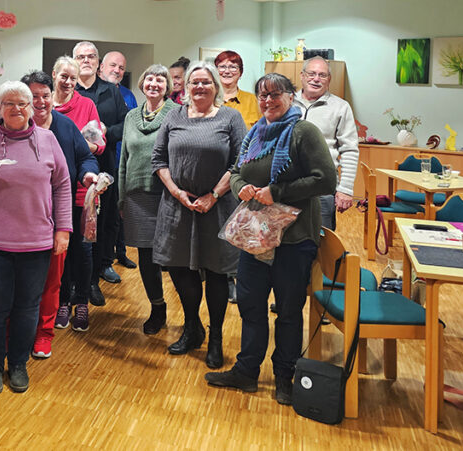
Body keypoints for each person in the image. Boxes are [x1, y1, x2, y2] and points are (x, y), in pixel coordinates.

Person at [205, 73, 336, 406]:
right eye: (262, 96)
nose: (267, 102)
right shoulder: (255, 133)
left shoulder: (303, 132)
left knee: (289, 311)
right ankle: (247, 372)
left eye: (275, 95)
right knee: (250, 305)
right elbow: (236, 172)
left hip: (294, 239)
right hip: (255, 237)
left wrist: (276, 191)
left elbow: (326, 179)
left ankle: (284, 377)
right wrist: (241, 189)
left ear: (291, 97)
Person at [0, 81, 72, 395]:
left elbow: (62, 185)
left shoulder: (48, 140)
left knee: (27, 307)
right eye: (9, 103)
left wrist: (63, 229)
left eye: (23, 102)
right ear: (0, 108)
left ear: (31, 106)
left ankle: (18, 364)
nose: (17, 108)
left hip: (37, 241)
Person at [152, 61, 245, 369]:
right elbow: (158, 158)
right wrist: (177, 193)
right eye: (195, 82)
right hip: (177, 207)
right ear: (186, 87)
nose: (200, 87)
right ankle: (193, 327)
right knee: (179, 269)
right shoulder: (174, 116)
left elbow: (239, 163)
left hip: (217, 208)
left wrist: (214, 195)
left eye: (206, 82)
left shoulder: (231, 117)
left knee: (217, 273)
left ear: (216, 86)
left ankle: (216, 337)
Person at [22, 70, 99, 358]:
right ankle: (20, 333)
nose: (40, 102)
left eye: (45, 95)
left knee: (52, 281)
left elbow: (86, 157)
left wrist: (89, 174)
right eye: (33, 97)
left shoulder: (65, 127)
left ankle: (44, 334)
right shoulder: (10, 126)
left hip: (56, 219)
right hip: (21, 219)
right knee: (24, 281)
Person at [117, 65, 179, 336]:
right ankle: (157, 307)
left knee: (175, 259)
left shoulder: (176, 113)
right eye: (149, 79)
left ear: (167, 86)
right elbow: (124, 160)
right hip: (137, 197)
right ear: (142, 84)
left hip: (168, 195)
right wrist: (121, 198)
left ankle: (190, 317)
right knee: (146, 257)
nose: (154, 84)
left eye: (160, 80)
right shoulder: (131, 116)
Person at [73, 41, 129, 299]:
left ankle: (93, 280)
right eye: (81, 56)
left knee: (101, 224)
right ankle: (71, 283)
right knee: (73, 226)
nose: (86, 60)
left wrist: (107, 131)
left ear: (98, 63)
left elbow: (124, 125)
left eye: (91, 57)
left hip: (104, 167)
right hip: (72, 169)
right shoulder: (66, 89)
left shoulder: (111, 91)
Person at [50, 55, 102, 326]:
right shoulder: (44, 106)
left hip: (81, 191)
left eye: (73, 77)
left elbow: (98, 145)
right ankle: (61, 302)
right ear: (54, 75)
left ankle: (81, 301)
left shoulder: (87, 104)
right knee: (59, 252)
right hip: (50, 197)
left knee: (81, 251)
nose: (69, 82)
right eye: (64, 76)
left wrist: (81, 146)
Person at [294, 57, 359, 231]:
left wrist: (345, 188)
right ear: (302, 76)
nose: (316, 79)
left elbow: (350, 150)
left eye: (322, 75)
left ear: (329, 79)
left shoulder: (340, 107)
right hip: (287, 188)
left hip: (322, 189)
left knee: (322, 245)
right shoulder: (286, 103)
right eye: (312, 74)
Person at [99, 50, 138, 269]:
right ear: (101, 67)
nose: (117, 70)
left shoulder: (127, 94)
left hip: (123, 162)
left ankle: (119, 254)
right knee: (103, 217)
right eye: (113, 65)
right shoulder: (91, 93)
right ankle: (104, 261)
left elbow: (129, 126)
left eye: (122, 68)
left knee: (117, 214)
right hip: (103, 161)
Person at [214, 51, 260, 129]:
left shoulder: (253, 100)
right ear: (215, 71)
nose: (227, 71)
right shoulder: (208, 100)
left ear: (240, 72)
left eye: (233, 67)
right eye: (222, 67)